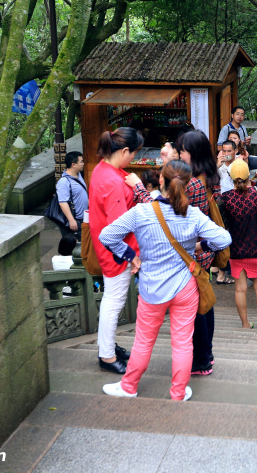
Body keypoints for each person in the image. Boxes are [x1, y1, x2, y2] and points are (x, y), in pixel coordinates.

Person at [100, 160, 232, 401]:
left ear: (160, 180)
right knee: (182, 343)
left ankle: (128, 386)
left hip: (151, 288)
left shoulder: (141, 212)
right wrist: (201, 247)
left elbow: (106, 235)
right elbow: (224, 239)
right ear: (187, 184)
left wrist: (131, 256)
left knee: (143, 341)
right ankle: (178, 392)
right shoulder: (192, 215)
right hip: (185, 287)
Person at [89, 127, 144, 374]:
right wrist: (132, 257)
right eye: (133, 153)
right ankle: (107, 356)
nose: (134, 158)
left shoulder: (102, 169)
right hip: (117, 252)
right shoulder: (112, 181)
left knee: (111, 301)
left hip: (106, 247)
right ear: (123, 151)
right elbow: (118, 228)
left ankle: (106, 347)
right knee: (114, 301)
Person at [175, 130, 228, 375]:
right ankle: (207, 353)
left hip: (193, 252)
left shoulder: (193, 182)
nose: (178, 155)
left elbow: (174, 209)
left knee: (197, 308)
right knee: (204, 302)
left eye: (181, 151)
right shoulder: (207, 175)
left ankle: (201, 359)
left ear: (192, 153)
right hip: (203, 250)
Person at [218, 160, 257, 330]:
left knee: (240, 290)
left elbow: (224, 225)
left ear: (231, 177)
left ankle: (245, 324)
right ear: (250, 175)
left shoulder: (225, 199)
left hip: (236, 250)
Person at [218, 105, 257, 171]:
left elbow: (247, 146)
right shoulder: (226, 129)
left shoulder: (243, 128)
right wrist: (233, 146)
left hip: (244, 155)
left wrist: (247, 143)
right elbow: (219, 147)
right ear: (232, 115)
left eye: (242, 115)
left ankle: (249, 168)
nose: (240, 117)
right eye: (237, 114)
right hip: (232, 158)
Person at [55, 151, 88, 238]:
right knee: (76, 247)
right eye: (81, 162)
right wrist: (71, 220)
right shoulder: (64, 182)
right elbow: (62, 202)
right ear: (73, 164)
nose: (83, 164)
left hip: (84, 218)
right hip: (75, 220)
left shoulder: (79, 175)